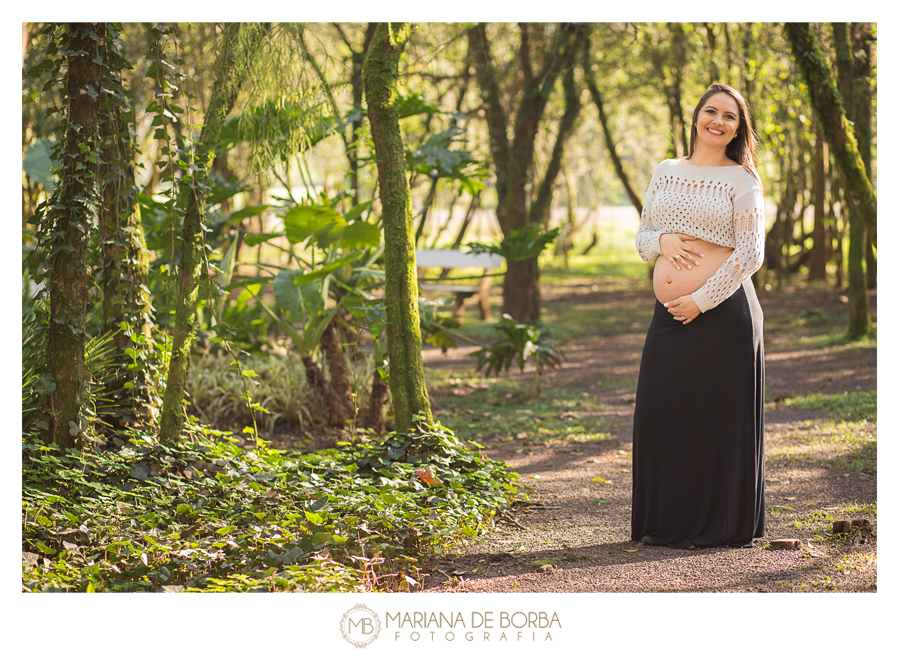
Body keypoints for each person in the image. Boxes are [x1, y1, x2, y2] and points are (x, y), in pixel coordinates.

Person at [631, 82, 766, 549]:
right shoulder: (667, 170)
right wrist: (663, 241)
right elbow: (644, 235)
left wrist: (702, 299)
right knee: (660, 410)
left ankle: (715, 527)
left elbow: (750, 253)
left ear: (737, 128)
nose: (719, 121)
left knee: (714, 420)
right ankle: (664, 524)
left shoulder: (742, 181)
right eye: (712, 111)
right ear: (696, 117)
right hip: (668, 315)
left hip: (723, 315)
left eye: (730, 116)